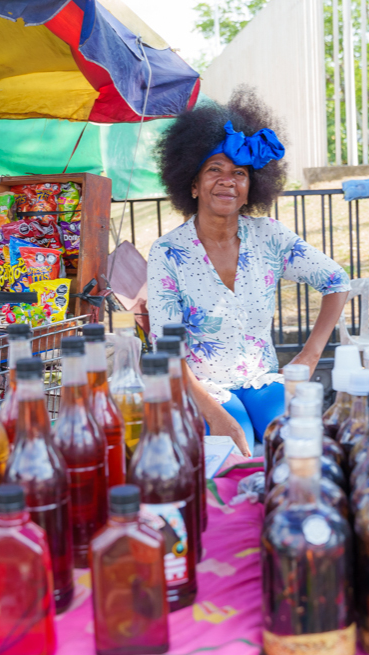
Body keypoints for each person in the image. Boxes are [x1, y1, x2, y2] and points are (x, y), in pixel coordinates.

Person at [147, 89, 350, 456]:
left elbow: (336, 281)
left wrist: (308, 358)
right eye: (214, 170)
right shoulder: (167, 253)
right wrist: (213, 413)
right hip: (200, 387)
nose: (227, 180)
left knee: (296, 446)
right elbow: (167, 350)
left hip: (263, 382)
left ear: (248, 190)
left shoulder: (269, 236)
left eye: (238, 173)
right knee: (232, 452)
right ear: (192, 185)